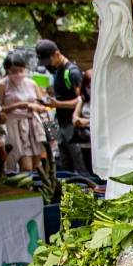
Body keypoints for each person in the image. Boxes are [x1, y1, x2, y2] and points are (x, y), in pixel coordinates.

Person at [36, 39, 86, 174]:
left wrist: (57, 104)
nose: (48, 65)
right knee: (64, 164)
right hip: (60, 124)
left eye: (49, 60)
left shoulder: (72, 72)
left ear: (56, 54)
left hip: (73, 127)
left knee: (80, 166)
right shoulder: (57, 71)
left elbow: (82, 101)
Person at [0, 51, 50, 172]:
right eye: (14, 71)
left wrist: (36, 107)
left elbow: (42, 103)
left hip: (33, 125)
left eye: (21, 70)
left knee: (38, 166)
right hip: (14, 126)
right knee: (26, 166)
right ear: (7, 70)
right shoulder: (2, 85)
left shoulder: (31, 83)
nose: (18, 74)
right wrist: (20, 105)